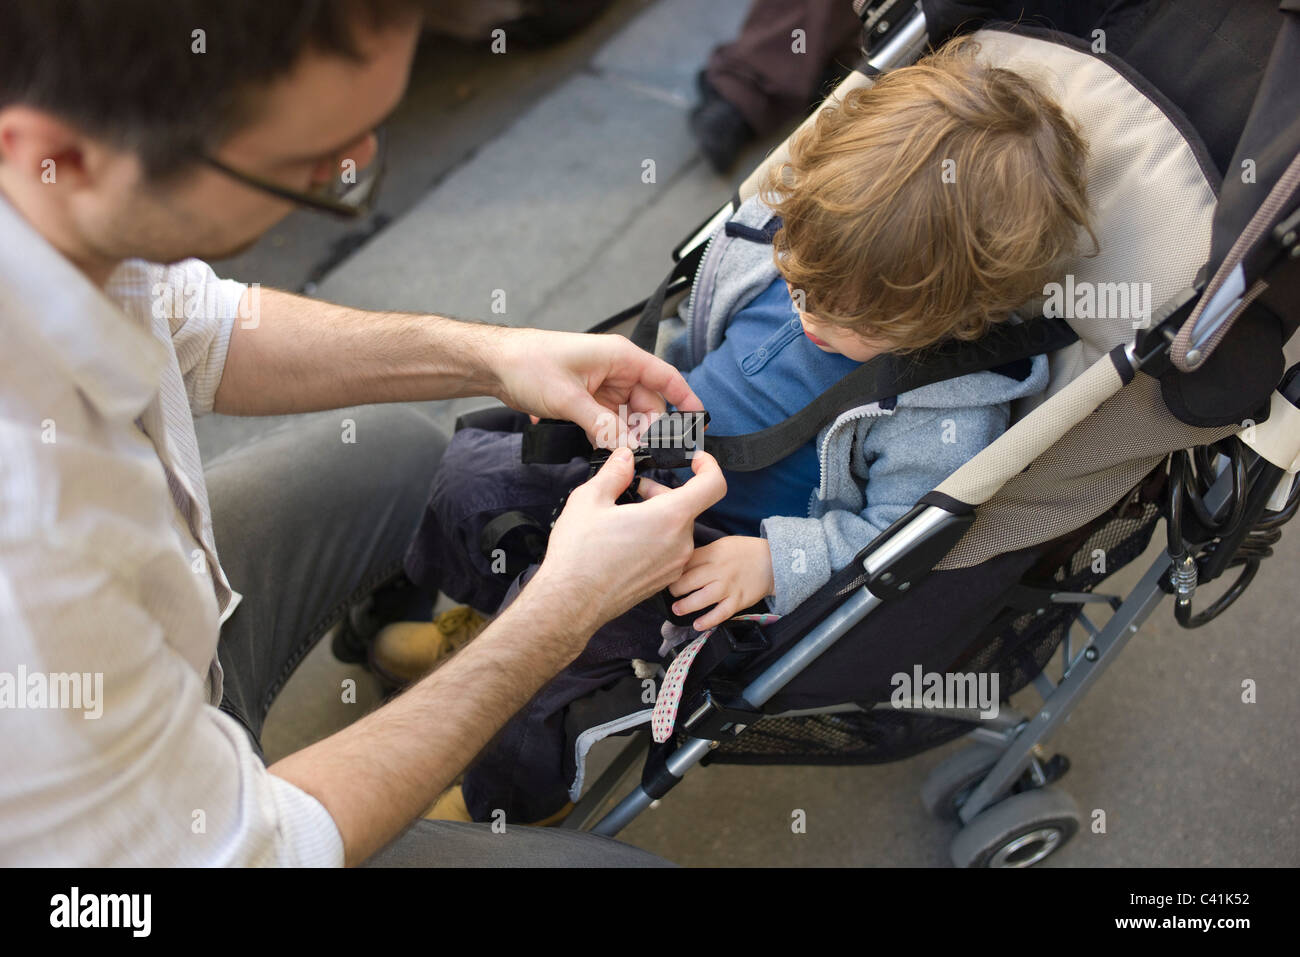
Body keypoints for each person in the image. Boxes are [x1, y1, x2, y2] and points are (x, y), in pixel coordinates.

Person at [0, 0, 728, 867]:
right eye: (311, 166)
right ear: (58, 159)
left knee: (401, 451)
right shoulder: (37, 542)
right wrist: (560, 611)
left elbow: (187, 319)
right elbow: (256, 851)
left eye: (372, 130)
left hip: (157, 664)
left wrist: (493, 355)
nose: (357, 165)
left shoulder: (59, 194)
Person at [390, 36, 1095, 824]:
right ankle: (482, 627)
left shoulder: (943, 406)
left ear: (953, 319)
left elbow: (896, 534)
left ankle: (505, 800)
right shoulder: (773, 245)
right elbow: (704, 342)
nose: (808, 313)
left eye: (844, 316)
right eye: (803, 279)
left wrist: (775, 561)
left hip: (713, 553)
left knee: (569, 643)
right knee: (470, 475)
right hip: (654, 459)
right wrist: (651, 399)